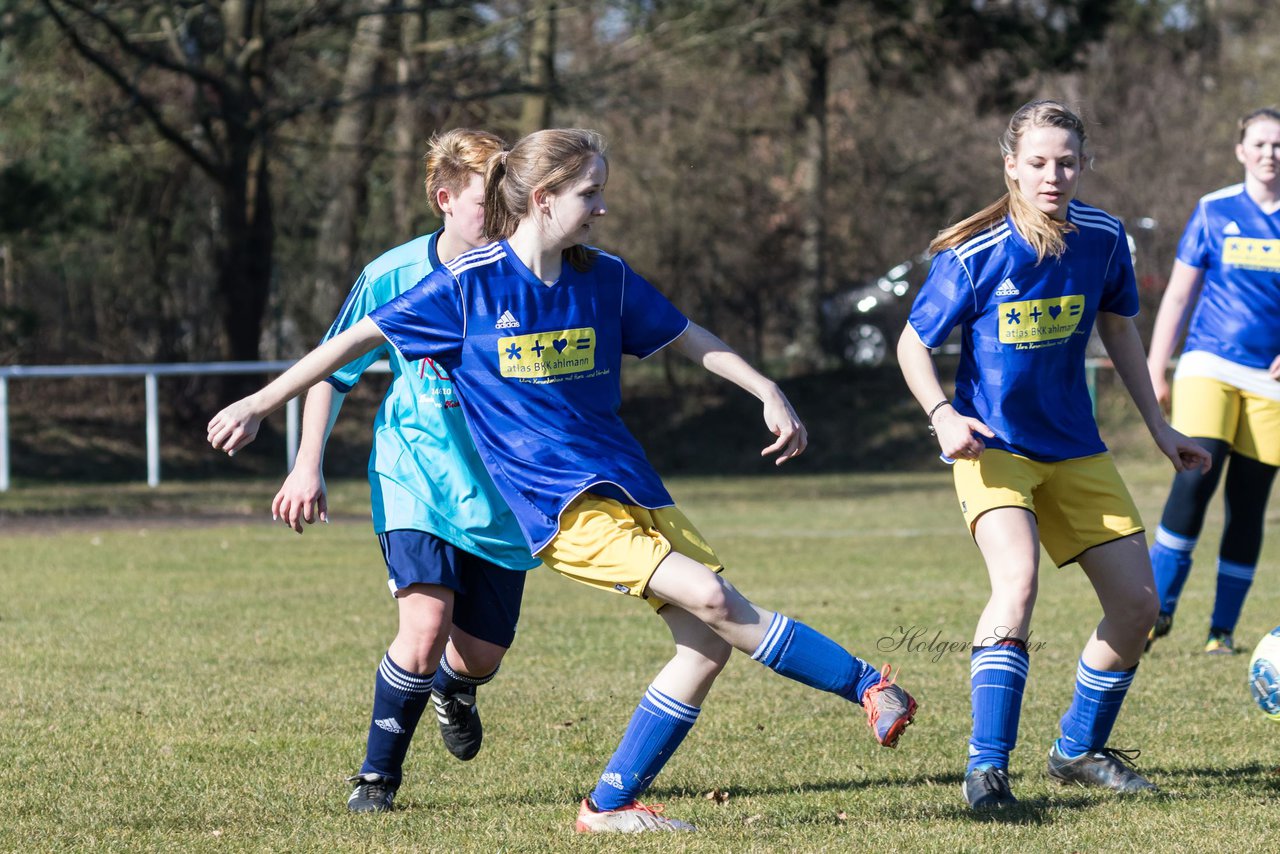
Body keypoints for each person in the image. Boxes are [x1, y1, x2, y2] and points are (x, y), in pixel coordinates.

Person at [209, 127, 917, 833]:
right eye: (592, 192)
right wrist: (258, 404)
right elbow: (351, 342)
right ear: (544, 199)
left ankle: (609, 806)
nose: (603, 206)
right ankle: (868, 685)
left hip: (631, 486)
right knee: (710, 595)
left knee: (706, 641)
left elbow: (687, 335)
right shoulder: (466, 287)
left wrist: (763, 386)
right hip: (562, 509)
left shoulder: (602, 278)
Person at [896, 100, 1212, 811]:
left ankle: (1077, 750)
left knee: (1138, 607)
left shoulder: (1102, 236)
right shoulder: (975, 252)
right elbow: (912, 344)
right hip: (994, 447)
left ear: (1082, 164)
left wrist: (1159, 428)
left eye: (1066, 161)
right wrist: (943, 414)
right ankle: (986, 772)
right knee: (1018, 584)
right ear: (1011, 167)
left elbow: (1120, 329)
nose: (1053, 174)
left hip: (1076, 449)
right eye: (1037, 162)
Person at [275, 129, 541, 813]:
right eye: (488, 202)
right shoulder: (393, 274)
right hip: (414, 475)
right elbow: (332, 368)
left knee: (478, 654)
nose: (502, 217)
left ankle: (458, 686)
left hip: (501, 492)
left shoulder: (531, 273)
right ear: (445, 199)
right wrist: (307, 465)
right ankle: (376, 780)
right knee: (423, 629)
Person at [1144, 108, 1280, 657]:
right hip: (1208, 363)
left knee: (1248, 504)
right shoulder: (1212, 210)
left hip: (1269, 382)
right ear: (1241, 150)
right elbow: (1177, 295)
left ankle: (1221, 632)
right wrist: (1156, 367)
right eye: (1261, 143)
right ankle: (1156, 612)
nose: (1271, 152)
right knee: (1195, 479)